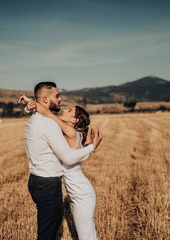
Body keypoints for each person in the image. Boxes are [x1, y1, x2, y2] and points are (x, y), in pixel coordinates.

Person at [21, 82, 102, 240]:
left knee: (81, 232)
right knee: (49, 232)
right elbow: (68, 157)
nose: (61, 100)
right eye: (57, 96)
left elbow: (48, 113)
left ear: (74, 121)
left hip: (56, 185)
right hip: (48, 183)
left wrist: (31, 104)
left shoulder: (42, 120)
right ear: (45, 99)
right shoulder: (49, 124)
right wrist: (91, 147)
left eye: (69, 111)